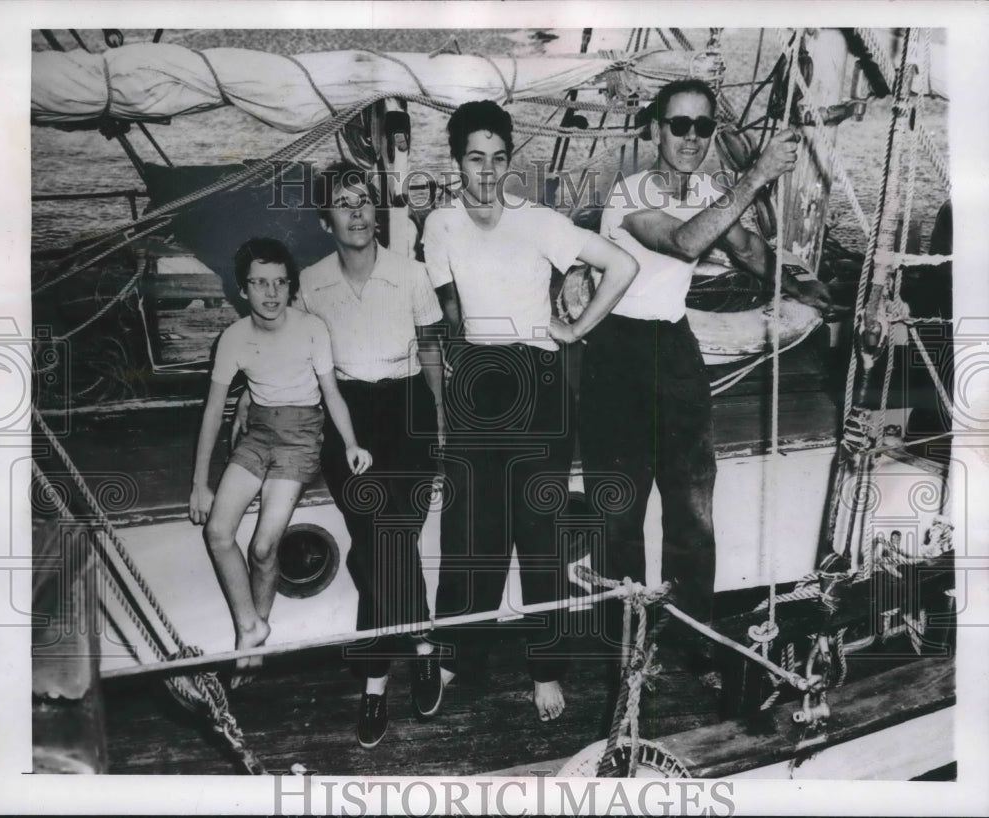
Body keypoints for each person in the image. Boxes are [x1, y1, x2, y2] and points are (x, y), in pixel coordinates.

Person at [579, 78, 832, 668]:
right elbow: (688, 242)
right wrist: (759, 175)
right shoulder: (627, 194)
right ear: (654, 130)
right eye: (679, 124)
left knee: (692, 506)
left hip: (673, 345)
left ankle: (692, 636)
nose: (691, 137)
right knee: (620, 508)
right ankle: (627, 645)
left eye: (703, 125)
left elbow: (745, 246)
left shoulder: (712, 190)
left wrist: (801, 288)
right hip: (617, 354)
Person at [423, 100, 639, 721]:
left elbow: (621, 265)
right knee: (469, 533)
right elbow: (450, 315)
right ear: (458, 161)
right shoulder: (438, 225)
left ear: (509, 160)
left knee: (537, 533)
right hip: (477, 386)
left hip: (536, 381)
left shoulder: (540, 220)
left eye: (497, 159)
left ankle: (546, 672)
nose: (486, 172)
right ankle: (459, 654)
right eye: (474, 159)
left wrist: (576, 330)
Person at [239, 163, 447, 749]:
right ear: (325, 219)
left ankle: (375, 684)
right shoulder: (310, 282)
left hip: (408, 412)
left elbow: (431, 348)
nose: (356, 211)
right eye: (342, 203)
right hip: (346, 421)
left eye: (363, 201)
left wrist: (443, 419)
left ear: (376, 212)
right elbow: (287, 351)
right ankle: (424, 644)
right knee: (382, 542)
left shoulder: (411, 274)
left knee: (386, 544)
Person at [189, 237, 372, 688]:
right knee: (217, 531)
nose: (270, 294)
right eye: (259, 283)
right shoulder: (232, 338)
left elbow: (331, 393)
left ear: (291, 287)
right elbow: (213, 412)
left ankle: (256, 632)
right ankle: (250, 626)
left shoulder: (311, 328)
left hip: (300, 438)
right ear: (242, 289)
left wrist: (351, 442)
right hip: (257, 436)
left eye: (279, 283)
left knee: (264, 546)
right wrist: (200, 484)